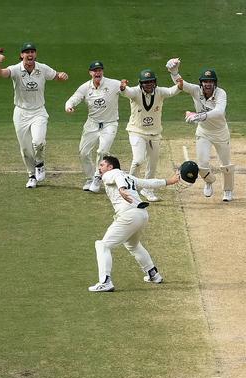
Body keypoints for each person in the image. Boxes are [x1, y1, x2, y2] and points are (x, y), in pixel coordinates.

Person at [88, 155, 179, 292]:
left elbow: (118, 178)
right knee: (133, 244)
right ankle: (153, 274)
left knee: (102, 245)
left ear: (110, 167)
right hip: (141, 215)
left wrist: (122, 189)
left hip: (129, 215)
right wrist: (170, 181)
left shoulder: (110, 174)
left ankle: (105, 281)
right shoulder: (128, 176)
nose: (99, 168)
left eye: (102, 165)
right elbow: (148, 183)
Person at [0, 42, 68, 188]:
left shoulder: (42, 68)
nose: (30, 54)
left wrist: (62, 75)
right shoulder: (15, 69)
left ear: (35, 54)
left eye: (32, 51)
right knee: (26, 148)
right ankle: (31, 175)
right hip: (20, 113)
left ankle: (39, 162)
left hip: (38, 111)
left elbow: (56, 76)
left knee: (38, 141)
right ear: (22, 55)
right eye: (27, 52)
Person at [166, 59, 235, 201]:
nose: (207, 84)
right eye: (205, 81)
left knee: (226, 164)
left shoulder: (221, 93)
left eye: (210, 81)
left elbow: (219, 112)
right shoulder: (196, 90)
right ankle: (209, 181)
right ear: (201, 82)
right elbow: (180, 83)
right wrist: (174, 71)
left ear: (214, 83)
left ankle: (228, 190)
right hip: (203, 132)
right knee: (202, 165)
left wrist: (198, 116)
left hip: (221, 132)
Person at [120, 68, 183, 202]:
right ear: (141, 83)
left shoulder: (159, 92)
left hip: (154, 133)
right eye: (146, 82)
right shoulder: (136, 92)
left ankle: (147, 189)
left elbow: (172, 91)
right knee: (138, 160)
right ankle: (128, 187)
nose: (148, 85)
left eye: (151, 82)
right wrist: (123, 87)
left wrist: (179, 84)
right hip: (137, 132)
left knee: (152, 164)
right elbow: (127, 92)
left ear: (154, 82)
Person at [65, 61, 123, 192]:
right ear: (90, 73)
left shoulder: (114, 84)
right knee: (83, 153)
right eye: (95, 71)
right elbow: (75, 98)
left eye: (100, 70)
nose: (98, 73)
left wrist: (125, 88)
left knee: (102, 151)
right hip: (92, 124)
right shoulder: (85, 87)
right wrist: (69, 106)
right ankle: (90, 178)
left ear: (102, 72)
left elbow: (128, 92)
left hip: (110, 124)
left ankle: (97, 177)